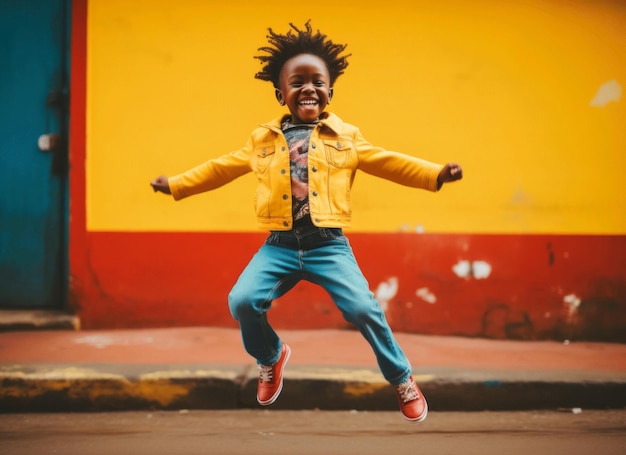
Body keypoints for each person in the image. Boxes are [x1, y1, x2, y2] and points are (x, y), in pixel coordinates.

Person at [151, 21, 463, 422]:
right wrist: (176, 184)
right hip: (279, 246)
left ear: (330, 91)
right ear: (282, 94)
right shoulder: (261, 140)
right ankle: (271, 355)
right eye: (297, 82)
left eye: (318, 81)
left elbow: (388, 161)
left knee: (364, 310)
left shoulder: (345, 137)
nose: (309, 88)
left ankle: (402, 378)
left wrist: (435, 174)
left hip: (328, 245)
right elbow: (220, 168)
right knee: (242, 301)